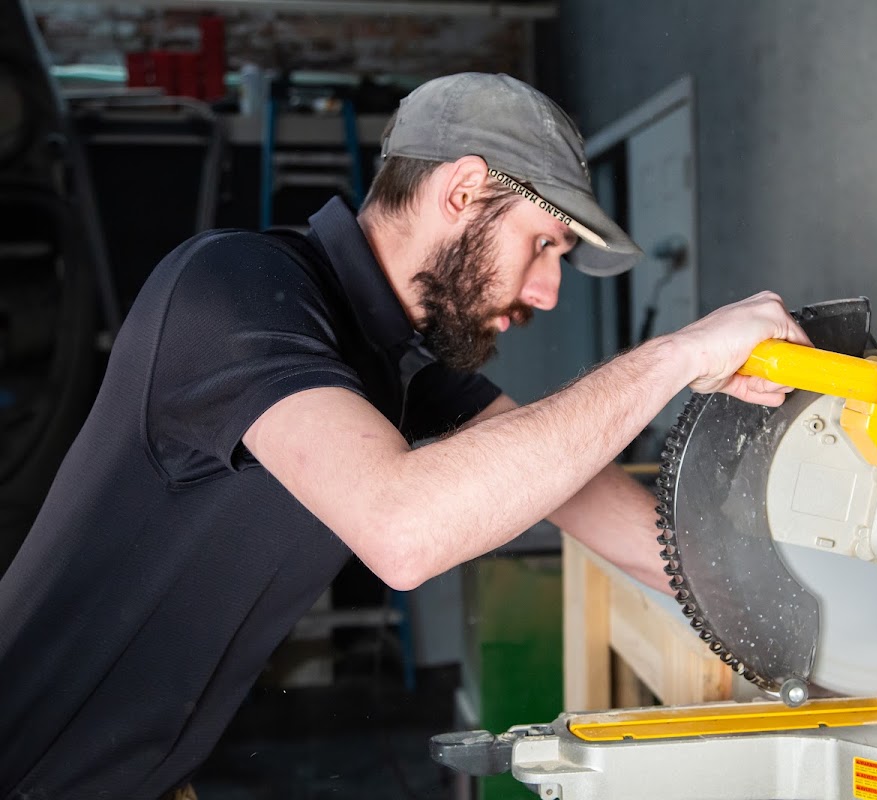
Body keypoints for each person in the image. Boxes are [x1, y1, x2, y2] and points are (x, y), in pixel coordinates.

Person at [0, 72, 808, 799]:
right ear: (463, 191)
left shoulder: (398, 359)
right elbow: (404, 529)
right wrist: (676, 356)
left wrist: (808, 622)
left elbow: (616, 521)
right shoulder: (230, 292)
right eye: (543, 244)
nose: (549, 290)